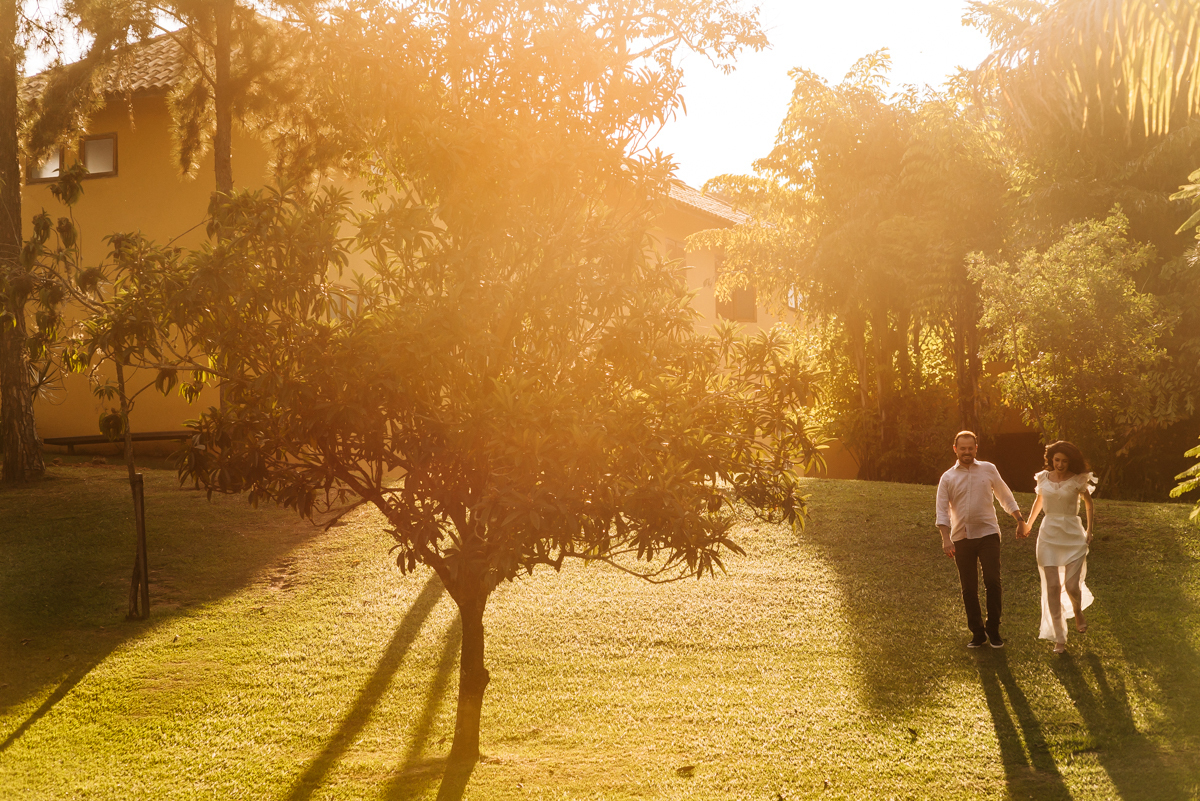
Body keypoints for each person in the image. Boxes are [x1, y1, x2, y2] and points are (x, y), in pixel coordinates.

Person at [936, 431, 1025, 649]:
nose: (967, 452)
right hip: (961, 537)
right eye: (962, 448)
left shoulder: (988, 469)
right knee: (969, 587)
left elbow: (1005, 495)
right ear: (955, 449)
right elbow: (942, 510)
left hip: (988, 534)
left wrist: (1020, 520)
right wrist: (946, 539)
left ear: (976, 448)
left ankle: (993, 629)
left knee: (993, 581)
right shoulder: (948, 477)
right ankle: (977, 633)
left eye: (970, 448)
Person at [1019, 440, 1095, 654]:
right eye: (1057, 460)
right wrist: (1028, 524)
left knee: (1071, 586)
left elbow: (1089, 504)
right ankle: (1059, 638)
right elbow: (1039, 502)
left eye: (1064, 461)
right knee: (1052, 588)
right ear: (1051, 459)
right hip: (1048, 535)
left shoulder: (1079, 480)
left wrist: (1089, 530)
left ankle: (1077, 610)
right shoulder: (1042, 478)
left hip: (1072, 534)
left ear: (1071, 462)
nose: (1060, 464)